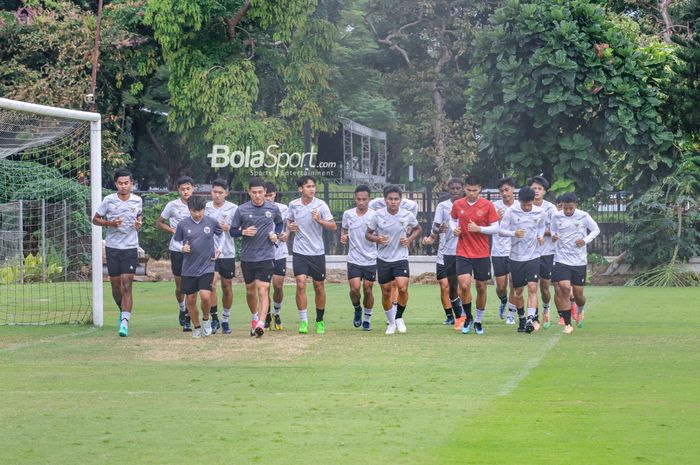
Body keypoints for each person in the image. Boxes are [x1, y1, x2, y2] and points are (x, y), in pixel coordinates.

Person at [230, 177, 283, 337]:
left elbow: (280, 223)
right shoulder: (241, 210)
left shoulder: (272, 208)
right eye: (254, 193)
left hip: (266, 256)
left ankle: (260, 323)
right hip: (248, 257)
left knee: (263, 289)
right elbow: (232, 231)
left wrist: (276, 234)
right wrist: (243, 232)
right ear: (249, 192)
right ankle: (254, 317)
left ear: (265, 192)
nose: (258, 195)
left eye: (260, 192)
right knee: (250, 291)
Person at [92, 168, 143, 337]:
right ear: (116, 184)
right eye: (120, 183)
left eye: (126, 183)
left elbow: (139, 218)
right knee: (115, 287)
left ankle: (124, 323)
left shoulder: (137, 200)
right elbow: (95, 219)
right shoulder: (109, 200)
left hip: (130, 247)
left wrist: (138, 225)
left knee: (127, 284)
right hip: (113, 247)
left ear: (131, 184)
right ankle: (123, 311)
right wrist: (110, 223)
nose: (123, 186)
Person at [366, 185, 422, 334]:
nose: (393, 202)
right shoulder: (377, 215)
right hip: (383, 259)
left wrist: (409, 239)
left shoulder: (407, 215)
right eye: (390, 199)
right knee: (386, 292)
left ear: (400, 200)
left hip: (400, 257)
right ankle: (391, 323)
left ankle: (399, 317)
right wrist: (377, 239)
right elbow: (368, 234)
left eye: (396, 199)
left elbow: (418, 229)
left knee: (402, 288)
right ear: (385, 200)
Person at [450, 175, 500, 335]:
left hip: (482, 253)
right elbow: (452, 219)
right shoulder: (458, 204)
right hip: (463, 251)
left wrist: (480, 229)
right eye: (469, 190)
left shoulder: (488, 205)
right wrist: (454, 229)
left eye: (475, 190)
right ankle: (469, 318)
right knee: (464, 286)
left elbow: (496, 227)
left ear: (480, 189)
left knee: (481, 287)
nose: (472, 193)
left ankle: (478, 320)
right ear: (465, 188)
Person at [287, 175, 336, 334]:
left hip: (317, 252)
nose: (312, 189)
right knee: (300, 283)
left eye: (313, 186)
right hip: (299, 251)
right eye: (308, 186)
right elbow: (289, 222)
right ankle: (303, 321)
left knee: (319, 286)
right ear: (301, 189)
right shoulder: (293, 205)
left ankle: (320, 320)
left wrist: (320, 220)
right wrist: (291, 227)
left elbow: (333, 226)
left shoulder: (321, 205)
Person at [173, 195, 223, 338]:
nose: (197, 214)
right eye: (194, 211)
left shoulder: (211, 222)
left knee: (206, 296)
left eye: (200, 210)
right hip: (189, 268)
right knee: (190, 299)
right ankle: (196, 327)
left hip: (207, 265)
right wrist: (182, 248)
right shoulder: (183, 224)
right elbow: (175, 242)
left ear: (204, 209)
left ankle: (206, 320)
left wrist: (219, 248)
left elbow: (222, 235)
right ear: (189, 210)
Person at [498, 186, 546, 333]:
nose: (527, 207)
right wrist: (514, 233)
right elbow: (500, 231)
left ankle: (531, 318)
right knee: (518, 291)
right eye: (524, 205)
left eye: (529, 204)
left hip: (533, 255)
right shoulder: (511, 212)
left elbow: (542, 227)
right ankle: (522, 318)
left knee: (532, 287)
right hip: (516, 256)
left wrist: (541, 236)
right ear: (519, 202)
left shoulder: (540, 212)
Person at [550, 192, 600, 334]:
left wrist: (584, 240)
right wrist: (554, 236)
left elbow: (596, 230)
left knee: (578, 295)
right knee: (565, 288)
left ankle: (580, 309)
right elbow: (553, 229)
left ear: (575, 206)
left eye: (570, 208)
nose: (567, 211)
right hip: (561, 258)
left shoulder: (583, 216)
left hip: (579, 261)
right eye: (565, 208)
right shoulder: (556, 216)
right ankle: (568, 324)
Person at [422, 178, 465, 326]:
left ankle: (462, 314)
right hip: (444, 254)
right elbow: (434, 229)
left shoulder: (467, 206)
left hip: (463, 253)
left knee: (461, 286)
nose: (455, 191)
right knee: (444, 285)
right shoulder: (442, 207)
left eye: (458, 188)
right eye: (452, 188)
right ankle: (450, 315)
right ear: (449, 189)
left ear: (462, 188)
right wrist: (432, 236)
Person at [156, 176, 195, 331]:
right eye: (182, 189)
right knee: (180, 285)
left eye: (188, 188)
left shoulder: (199, 205)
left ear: (193, 188)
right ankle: (182, 308)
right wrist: (172, 230)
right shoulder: (172, 205)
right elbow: (159, 222)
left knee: (193, 284)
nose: (185, 192)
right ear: (178, 190)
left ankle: (189, 315)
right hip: (177, 249)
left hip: (195, 250)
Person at [340, 185, 377, 331]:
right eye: (358, 199)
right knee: (355, 289)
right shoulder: (348, 214)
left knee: (368, 289)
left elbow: (379, 232)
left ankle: (367, 319)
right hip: (354, 258)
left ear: (369, 199)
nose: (361, 202)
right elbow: (344, 229)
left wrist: (378, 238)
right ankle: (357, 309)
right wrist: (343, 236)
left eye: (364, 199)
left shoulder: (375, 215)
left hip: (370, 258)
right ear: (355, 199)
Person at [205, 179, 238, 334]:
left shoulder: (233, 208)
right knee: (211, 284)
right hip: (210, 253)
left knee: (227, 287)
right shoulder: (205, 208)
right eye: (214, 192)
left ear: (226, 193)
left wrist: (228, 228)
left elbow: (239, 230)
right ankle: (214, 318)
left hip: (228, 252)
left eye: (220, 193)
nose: (217, 195)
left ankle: (225, 319)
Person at [527, 176, 557, 327]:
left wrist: (539, 232)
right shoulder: (525, 206)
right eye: (534, 189)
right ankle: (534, 317)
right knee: (532, 286)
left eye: (539, 189)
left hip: (546, 252)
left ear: (544, 191)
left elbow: (554, 230)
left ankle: (546, 308)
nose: (537, 191)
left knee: (545, 288)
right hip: (530, 253)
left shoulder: (550, 208)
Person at [492, 177, 518, 325]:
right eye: (502, 191)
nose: (504, 193)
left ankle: (511, 314)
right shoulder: (494, 206)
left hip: (515, 251)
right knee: (501, 287)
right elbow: (485, 225)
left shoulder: (520, 207)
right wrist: (495, 218)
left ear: (513, 189)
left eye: (507, 190)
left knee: (514, 283)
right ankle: (503, 300)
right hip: (498, 251)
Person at [264, 181, 289, 331]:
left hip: (279, 252)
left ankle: (277, 312)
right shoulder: (256, 208)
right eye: (265, 195)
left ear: (275, 195)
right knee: (264, 287)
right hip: (263, 253)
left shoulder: (283, 208)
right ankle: (265, 315)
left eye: (270, 195)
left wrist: (286, 235)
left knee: (278, 286)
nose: (267, 198)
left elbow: (287, 227)